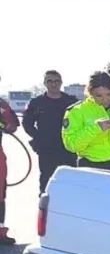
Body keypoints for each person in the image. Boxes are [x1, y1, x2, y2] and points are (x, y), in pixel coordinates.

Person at [23, 70, 78, 193]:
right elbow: (27, 123)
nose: (53, 84)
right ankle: (45, 202)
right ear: (45, 83)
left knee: (69, 179)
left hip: (67, 148)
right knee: (46, 179)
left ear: (61, 83)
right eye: (50, 81)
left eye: (56, 81)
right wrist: (38, 138)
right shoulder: (37, 103)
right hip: (46, 149)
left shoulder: (71, 102)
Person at [0, 87, 19, 245]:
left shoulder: (1, 104)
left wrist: (3, 124)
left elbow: (12, 125)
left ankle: (0, 232)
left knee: (0, 194)